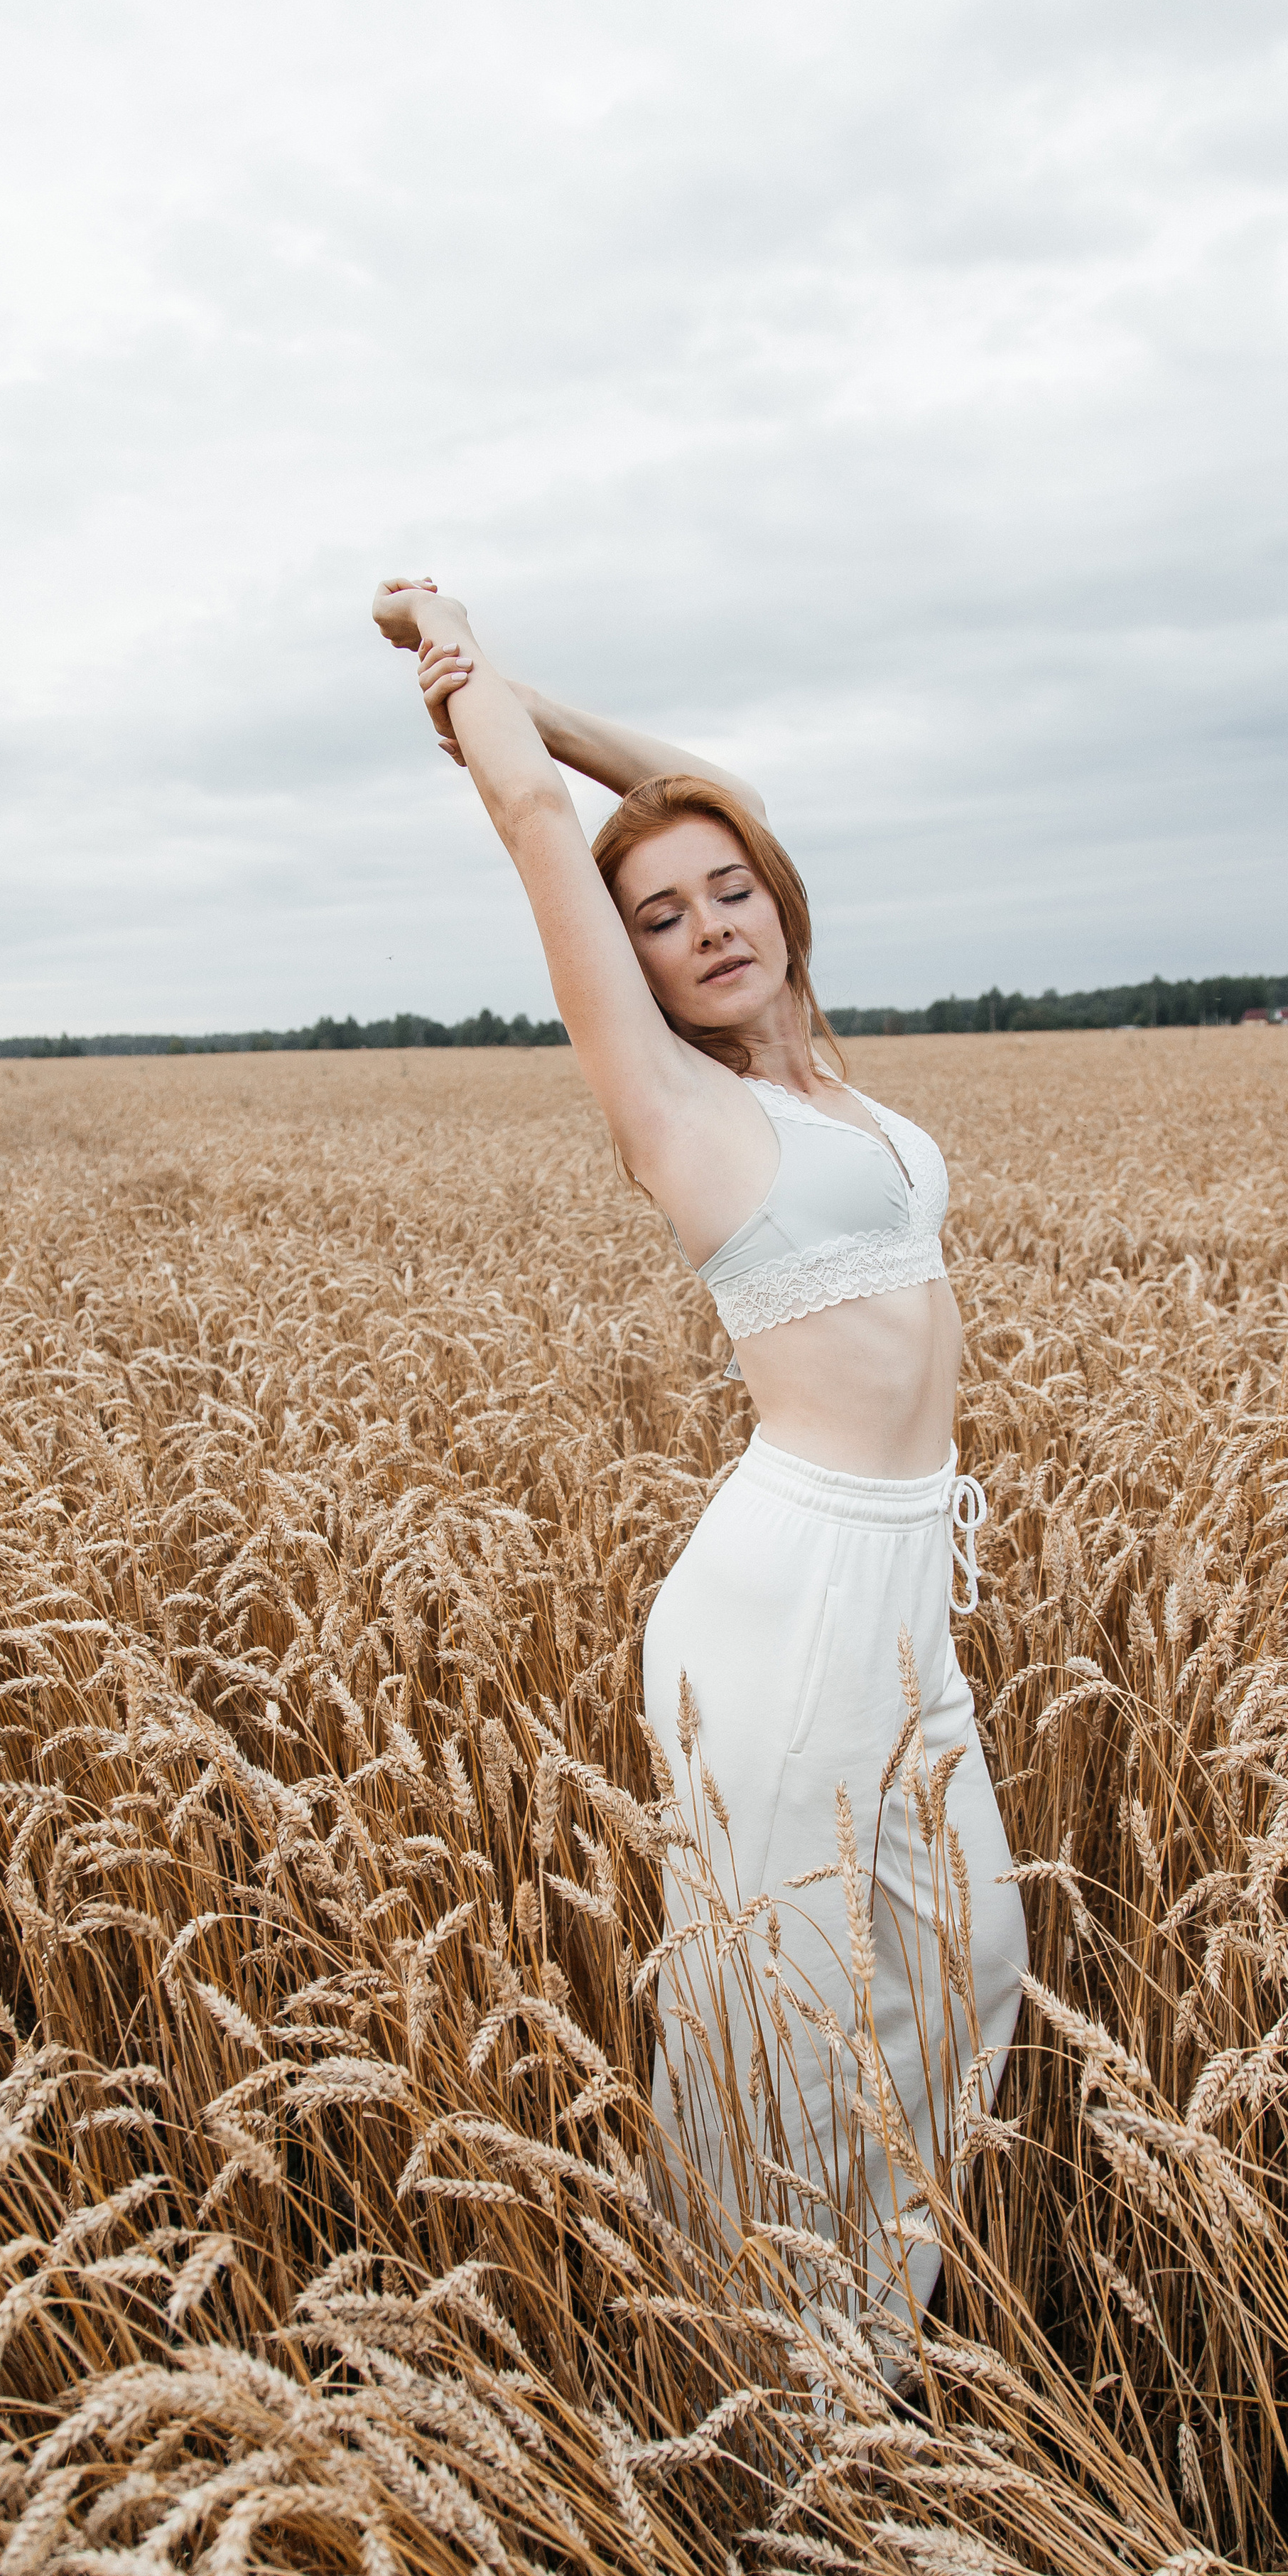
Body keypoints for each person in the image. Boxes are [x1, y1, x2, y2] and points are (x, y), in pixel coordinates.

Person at [372, 579, 1026, 2356]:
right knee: (788, 2025)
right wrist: (455, 674)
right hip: (791, 1595)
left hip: (903, 1587)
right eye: (656, 915)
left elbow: (702, 785)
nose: (706, 923)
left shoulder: (820, 1081)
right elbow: (532, 818)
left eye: (729, 889)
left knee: (972, 1968)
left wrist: (529, 686)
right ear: (629, 958)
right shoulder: (674, 1104)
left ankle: (858, 2341)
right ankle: (776, 2402)